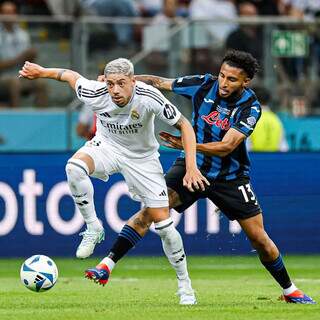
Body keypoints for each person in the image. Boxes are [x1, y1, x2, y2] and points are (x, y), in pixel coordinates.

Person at [89, 50, 315, 304]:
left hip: (230, 177)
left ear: (245, 82)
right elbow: (160, 82)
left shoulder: (250, 107)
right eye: (222, 75)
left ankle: (289, 290)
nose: (224, 83)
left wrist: (185, 144)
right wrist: (125, 79)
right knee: (149, 212)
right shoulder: (204, 84)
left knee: (259, 239)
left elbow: (227, 146)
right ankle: (106, 265)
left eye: (232, 79)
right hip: (189, 167)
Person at [19, 57, 209, 305]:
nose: (115, 90)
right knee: (74, 168)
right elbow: (69, 75)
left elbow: (185, 126)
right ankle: (93, 227)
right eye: (110, 84)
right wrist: (42, 71)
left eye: (121, 83)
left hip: (143, 159)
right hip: (107, 147)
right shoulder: (95, 92)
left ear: (132, 80)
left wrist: (191, 167)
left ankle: (185, 286)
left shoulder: (149, 96)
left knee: (164, 226)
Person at [0, 1, 48, 108]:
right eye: (6, 12)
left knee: (41, 84)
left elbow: (27, 62)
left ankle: (42, 120)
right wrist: (19, 59)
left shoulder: (23, 34)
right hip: (3, 77)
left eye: (12, 12)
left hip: (21, 76)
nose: (9, 16)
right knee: (14, 83)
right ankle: (16, 119)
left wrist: (31, 57)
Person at [248, 87, 289, 152]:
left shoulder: (250, 120)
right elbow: (284, 148)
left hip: (254, 159)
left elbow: (245, 149)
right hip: (274, 160)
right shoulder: (276, 120)